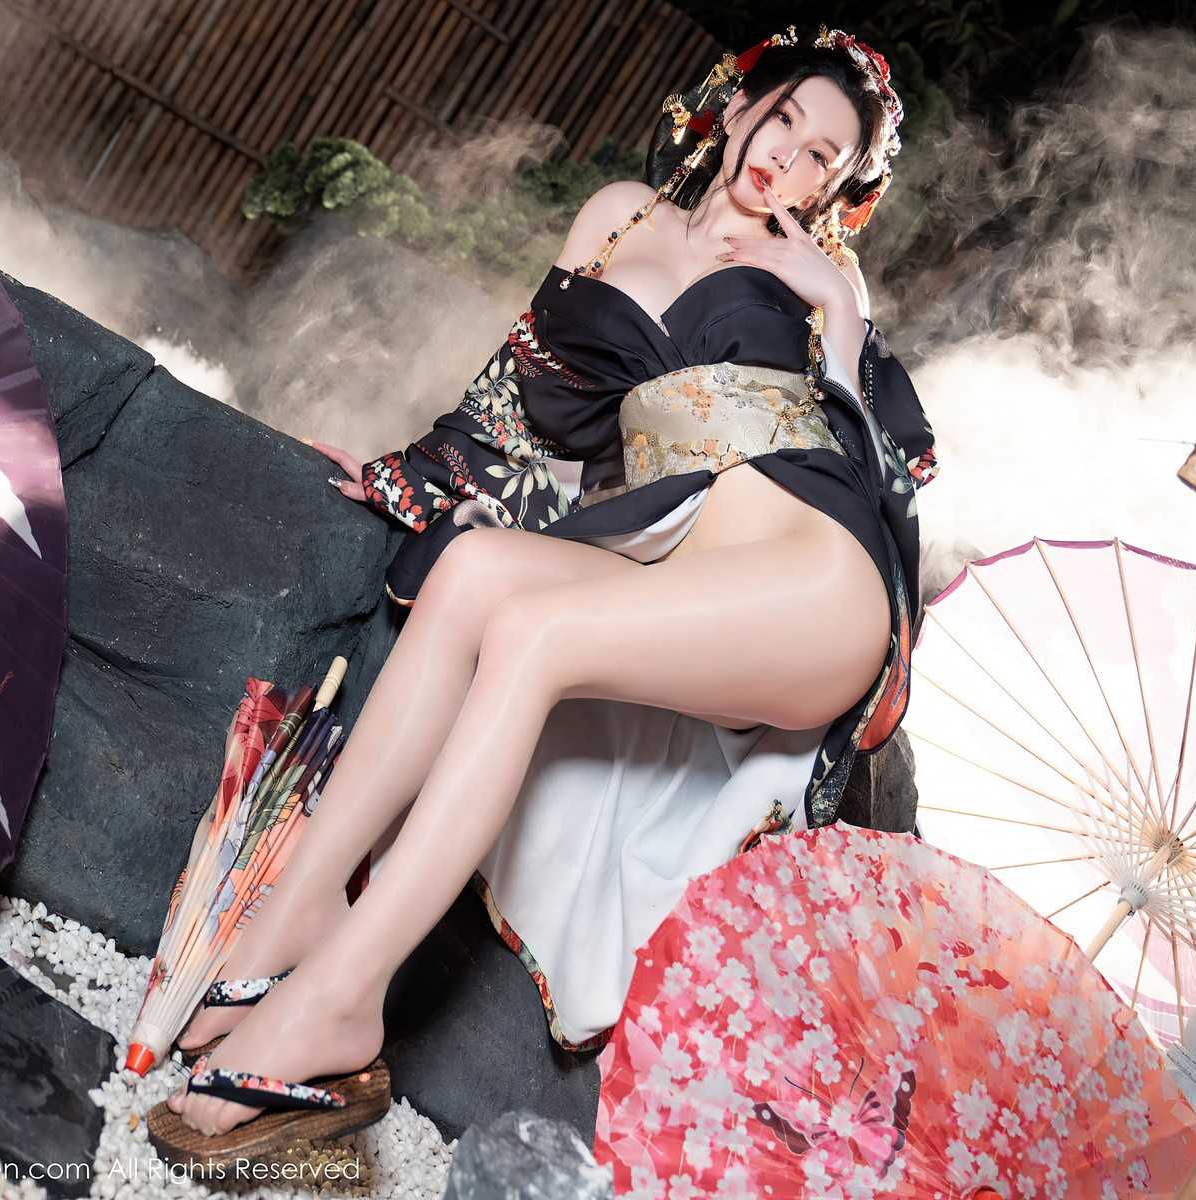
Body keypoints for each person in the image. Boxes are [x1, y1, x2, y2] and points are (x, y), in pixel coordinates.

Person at [153, 25, 939, 1156]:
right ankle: (294, 915)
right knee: (474, 569)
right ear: (735, 105)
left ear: (839, 188)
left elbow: (882, 459)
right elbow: (515, 408)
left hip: (817, 580)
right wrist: (408, 477)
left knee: (531, 632)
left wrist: (841, 322)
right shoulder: (620, 215)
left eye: (825, 156)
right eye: (784, 122)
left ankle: (341, 1000)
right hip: (688, 559)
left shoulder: (817, 281)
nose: (791, 159)